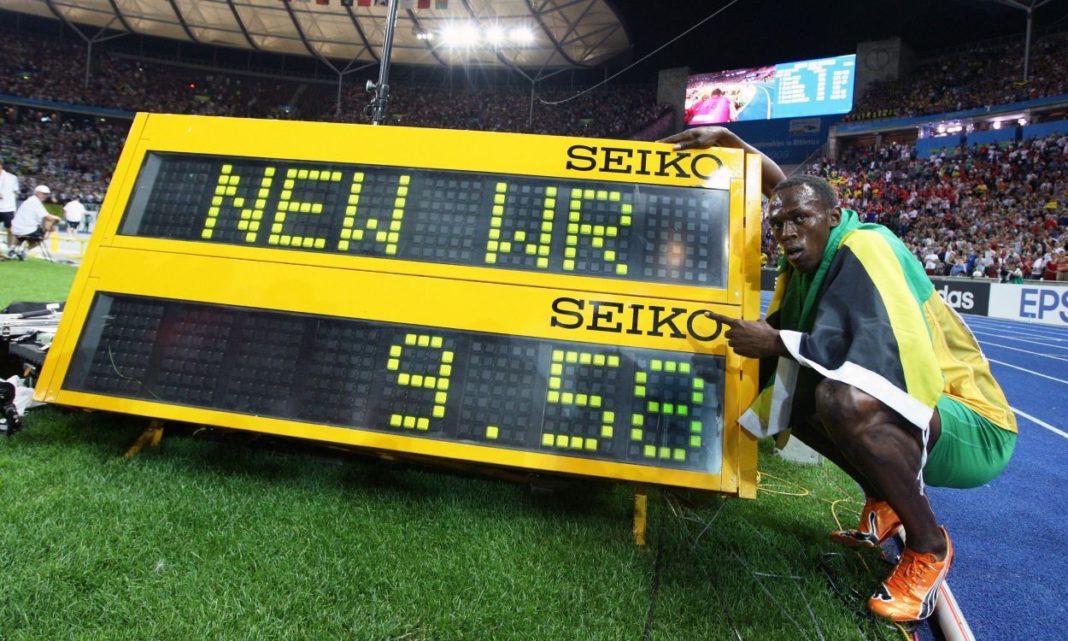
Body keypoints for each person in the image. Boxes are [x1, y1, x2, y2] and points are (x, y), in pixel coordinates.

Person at [660, 127, 1017, 623]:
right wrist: (730, 141)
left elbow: (881, 361)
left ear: (833, 216)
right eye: (777, 224)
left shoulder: (868, 246)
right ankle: (884, 500)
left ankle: (929, 546)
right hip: (927, 411)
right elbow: (792, 195)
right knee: (787, 393)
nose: (787, 233)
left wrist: (776, 340)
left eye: (799, 221)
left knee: (841, 398)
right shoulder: (818, 253)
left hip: (973, 426)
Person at [9, 185, 61, 260]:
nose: (45, 196)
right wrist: (58, 218)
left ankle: (12, 248)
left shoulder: (29, 201)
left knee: (23, 235)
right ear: (37, 193)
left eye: (46, 194)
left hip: (15, 229)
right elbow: (48, 217)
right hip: (27, 230)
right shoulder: (36, 202)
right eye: (44, 194)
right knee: (41, 237)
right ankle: (25, 251)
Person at [0, 159, 20, 249]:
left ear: (1, 165)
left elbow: (16, 192)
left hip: (8, 208)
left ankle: (9, 249)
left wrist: (8, 199)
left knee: (11, 229)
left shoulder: (12, 178)